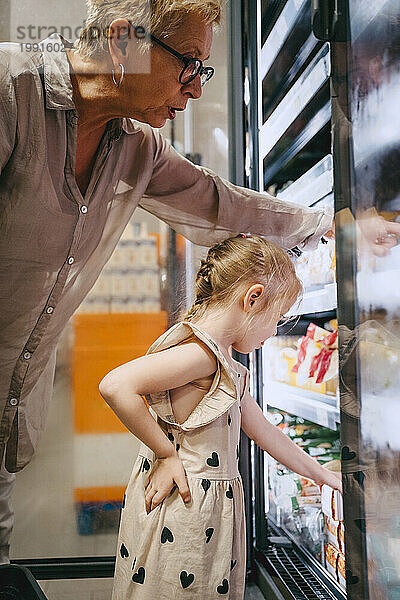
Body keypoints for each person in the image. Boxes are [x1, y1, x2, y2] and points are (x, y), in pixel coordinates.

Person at [0, 0, 337, 562]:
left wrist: (329, 225)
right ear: (123, 40)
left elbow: (219, 204)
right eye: (189, 65)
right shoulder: (11, 95)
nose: (197, 88)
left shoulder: (136, 146)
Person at [99, 234, 342, 600]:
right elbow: (116, 385)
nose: (274, 331)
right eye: (277, 318)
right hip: (184, 509)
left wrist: (323, 475)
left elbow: (264, 431)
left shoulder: (223, 360)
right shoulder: (201, 355)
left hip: (205, 513)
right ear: (253, 298)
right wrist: (165, 453)